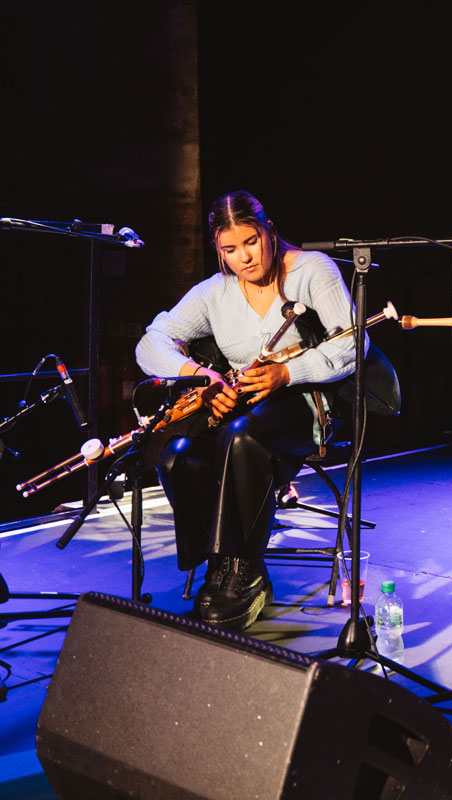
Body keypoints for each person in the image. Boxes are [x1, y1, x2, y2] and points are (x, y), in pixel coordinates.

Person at [136, 190, 357, 632]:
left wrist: (288, 374)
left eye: (251, 242)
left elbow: (353, 344)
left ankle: (244, 569)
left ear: (269, 232)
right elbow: (150, 342)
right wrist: (200, 375)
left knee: (240, 436)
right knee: (176, 452)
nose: (244, 258)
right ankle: (221, 563)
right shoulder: (213, 293)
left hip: (308, 401)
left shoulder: (313, 270)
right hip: (242, 406)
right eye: (230, 249)